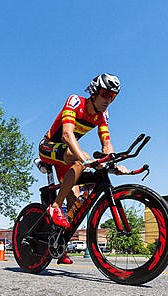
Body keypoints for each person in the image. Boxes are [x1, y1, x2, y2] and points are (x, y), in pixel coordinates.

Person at [39, 73, 128, 264]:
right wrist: (83, 158)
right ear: (94, 92)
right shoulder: (74, 102)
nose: (108, 100)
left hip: (67, 155)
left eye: (112, 97)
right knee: (82, 159)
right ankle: (54, 207)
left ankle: (58, 245)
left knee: (74, 205)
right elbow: (67, 135)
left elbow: (106, 144)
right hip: (49, 147)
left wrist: (112, 163)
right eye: (105, 93)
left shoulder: (102, 116)